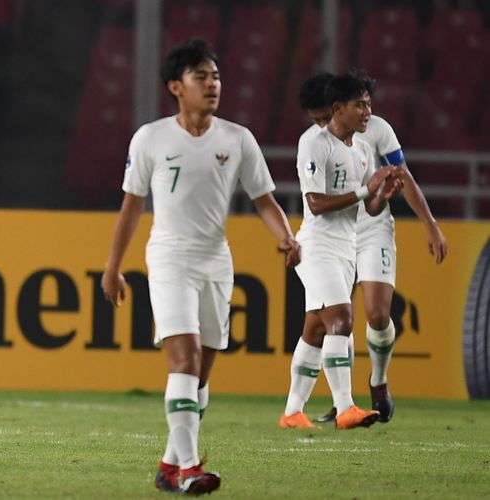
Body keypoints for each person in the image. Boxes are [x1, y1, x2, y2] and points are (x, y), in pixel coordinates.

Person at [101, 38, 300, 495]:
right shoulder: (151, 138)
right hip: (169, 257)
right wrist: (113, 267)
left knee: (201, 376)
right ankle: (191, 469)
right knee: (185, 360)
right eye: (201, 77)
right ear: (176, 86)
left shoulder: (237, 139)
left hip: (216, 261)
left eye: (216, 77)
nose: (212, 85)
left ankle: (169, 467)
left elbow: (264, 200)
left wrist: (286, 236)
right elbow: (132, 207)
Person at [286, 72, 448, 426]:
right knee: (331, 321)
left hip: (370, 229)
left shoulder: (372, 133)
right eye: (315, 119)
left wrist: (429, 223)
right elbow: (316, 200)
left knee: (373, 315)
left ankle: (377, 380)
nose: (320, 124)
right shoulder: (318, 141)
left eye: (323, 117)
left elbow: (398, 177)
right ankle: (338, 404)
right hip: (331, 236)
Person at [278, 72, 404, 430]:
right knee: (342, 320)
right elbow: (315, 203)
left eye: (369, 104)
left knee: (316, 330)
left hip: (347, 247)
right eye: (359, 104)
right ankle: (346, 406)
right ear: (338, 109)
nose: (367, 112)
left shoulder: (362, 150)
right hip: (317, 246)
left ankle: (292, 412)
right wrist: (367, 192)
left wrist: (382, 195)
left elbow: (370, 208)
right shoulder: (314, 143)